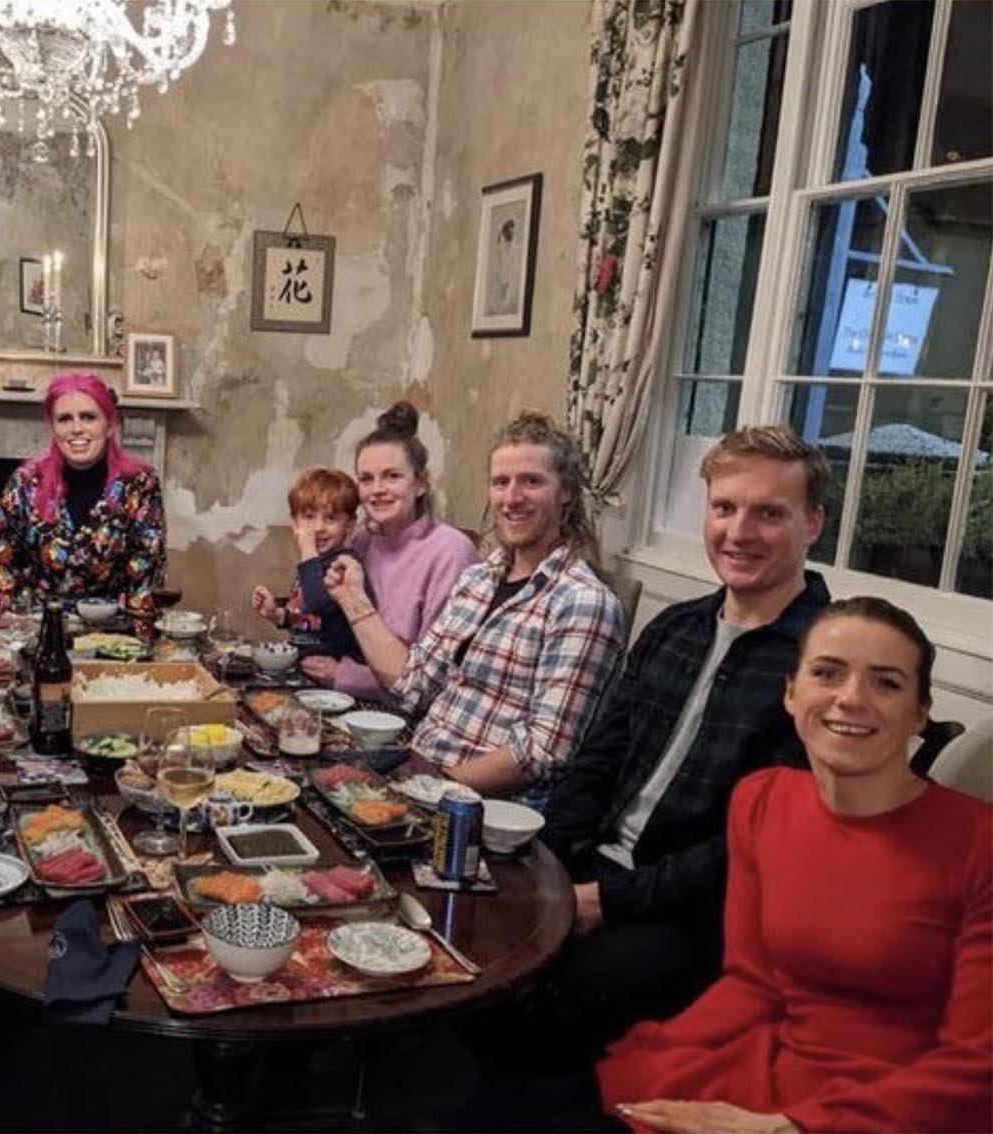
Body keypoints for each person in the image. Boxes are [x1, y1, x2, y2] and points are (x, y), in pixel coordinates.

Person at [600, 597, 991, 1134]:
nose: (850, 699)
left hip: (906, 1106)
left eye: (887, 683)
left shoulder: (980, 843)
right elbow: (751, 982)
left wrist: (782, 1129)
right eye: (827, 673)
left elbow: (976, 1065)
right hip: (772, 1065)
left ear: (921, 713)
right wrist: (666, 1068)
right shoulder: (761, 801)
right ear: (790, 692)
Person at [525, 425, 833, 1058]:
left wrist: (603, 900)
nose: (739, 533)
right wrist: (544, 867)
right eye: (724, 509)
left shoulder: (826, 664)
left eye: (769, 514)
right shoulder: (675, 627)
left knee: (538, 996)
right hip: (590, 866)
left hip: (697, 914)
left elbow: (756, 848)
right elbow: (596, 760)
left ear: (813, 526)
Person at [326, 412, 624, 810]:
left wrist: (429, 790)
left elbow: (541, 752)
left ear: (566, 491)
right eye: (501, 483)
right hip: (420, 769)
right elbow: (412, 683)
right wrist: (353, 599)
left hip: (482, 810)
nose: (511, 497)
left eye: (531, 481)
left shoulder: (583, 602)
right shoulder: (479, 580)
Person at [300, 401, 477, 703]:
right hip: (344, 698)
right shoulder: (362, 541)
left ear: (420, 484)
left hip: (408, 712)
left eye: (392, 476)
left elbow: (438, 677)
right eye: (367, 479)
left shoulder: (451, 551)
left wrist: (347, 676)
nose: (377, 489)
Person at [0, 372, 166, 627]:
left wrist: (136, 641)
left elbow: (146, 572)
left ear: (111, 425)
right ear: (54, 427)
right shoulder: (25, 482)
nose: (76, 428)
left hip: (112, 631)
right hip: (38, 628)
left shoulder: (140, 485)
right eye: (64, 419)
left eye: (89, 417)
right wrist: (10, 613)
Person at [251, 467, 370, 665]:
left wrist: (308, 551)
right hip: (303, 665)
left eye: (330, 518)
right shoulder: (313, 564)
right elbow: (310, 618)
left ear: (349, 525)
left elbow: (317, 603)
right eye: (309, 517)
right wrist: (278, 614)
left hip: (334, 675)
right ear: (295, 524)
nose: (318, 527)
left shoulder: (344, 564)